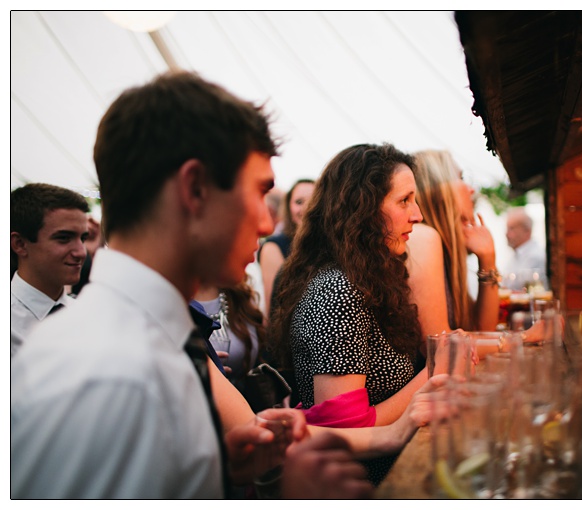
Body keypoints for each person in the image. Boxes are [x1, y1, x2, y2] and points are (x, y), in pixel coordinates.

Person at [11, 71, 369, 498]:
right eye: (258, 192)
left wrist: (216, 466)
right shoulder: (117, 375)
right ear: (195, 188)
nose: (267, 222)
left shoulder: (146, 338)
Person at [266, 142, 430, 486]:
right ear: (364, 210)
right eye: (404, 200)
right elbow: (344, 429)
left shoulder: (367, 277)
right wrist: (433, 373)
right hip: (366, 484)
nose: (417, 215)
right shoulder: (338, 291)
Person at [407, 149, 503, 336]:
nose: (471, 189)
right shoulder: (422, 238)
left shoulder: (442, 245)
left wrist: (488, 260)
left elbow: (481, 328)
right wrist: (518, 338)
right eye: (460, 177)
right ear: (438, 190)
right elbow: (439, 345)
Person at [10, 183, 92, 356]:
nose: (80, 252)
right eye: (64, 238)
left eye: (83, 238)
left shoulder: (89, 315)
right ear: (20, 244)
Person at [258, 178, 314, 316]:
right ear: (289, 207)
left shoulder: (332, 245)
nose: (306, 208)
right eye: (299, 202)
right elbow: (273, 309)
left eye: (313, 200)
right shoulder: (273, 247)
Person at [503, 207, 548, 290]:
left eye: (511, 228)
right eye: (507, 228)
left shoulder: (535, 256)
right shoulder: (517, 255)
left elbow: (517, 289)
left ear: (527, 231)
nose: (506, 234)